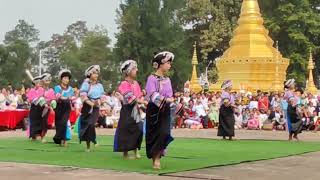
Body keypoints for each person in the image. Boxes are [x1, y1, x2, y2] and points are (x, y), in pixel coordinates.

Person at [145, 51, 182, 170]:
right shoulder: (151, 78)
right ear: (161, 64)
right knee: (154, 134)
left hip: (164, 109)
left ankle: (159, 156)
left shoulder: (167, 80)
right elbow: (152, 94)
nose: (170, 65)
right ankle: (155, 158)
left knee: (164, 133)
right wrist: (166, 100)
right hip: (154, 110)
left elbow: (170, 95)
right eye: (168, 63)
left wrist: (171, 101)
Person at [113, 60, 147, 159]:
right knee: (126, 130)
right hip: (127, 110)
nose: (136, 70)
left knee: (139, 129)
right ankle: (125, 153)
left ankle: (135, 150)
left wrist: (144, 94)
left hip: (135, 110)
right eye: (134, 68)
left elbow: (139, 96)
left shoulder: (136, 83)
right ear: (128, 71)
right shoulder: (124, 84)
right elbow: (130, 99)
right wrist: (142, 101)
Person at [78, 65, 106, 151]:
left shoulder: (100, 85)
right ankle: (89, 145)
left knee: (91, 124)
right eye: (94, 73)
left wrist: (102, 103)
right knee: (87, 125)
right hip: (87, 107)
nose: (96, 75)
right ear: (89, 74)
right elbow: (83, 94)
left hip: (96, 107)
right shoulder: (86, 84)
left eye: (97, 73)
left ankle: (93, 140)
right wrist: (90, 103)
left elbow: (102, 96)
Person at [53, 69, 74, 146]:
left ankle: (64, 139)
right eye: (64, 78)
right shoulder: (57, 87)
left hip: (66, 107)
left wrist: (67, 99)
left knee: (64, 122)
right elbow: (58, 96)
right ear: (61, 79)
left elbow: (71, 97)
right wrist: (65, 97)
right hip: (59, 107)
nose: (66, 80)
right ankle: (60, 139)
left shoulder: (71, 89)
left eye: (67, 78)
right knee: (58, 123)